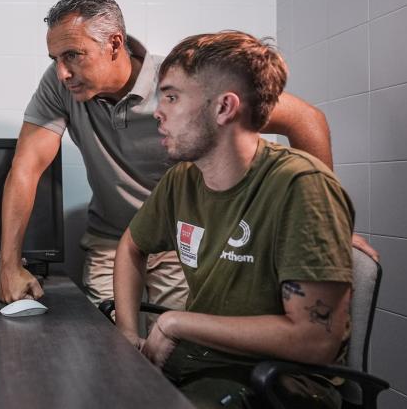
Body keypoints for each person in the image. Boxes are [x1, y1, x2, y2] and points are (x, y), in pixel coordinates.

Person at [0, 0, 375, 306]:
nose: (62, 72)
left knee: (177, 351)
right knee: (104, 346)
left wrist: (329, 225)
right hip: (113, 238)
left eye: (73, 56)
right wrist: (8, 265)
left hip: (185, 240)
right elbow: (27, 166)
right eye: (55, 59)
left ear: (114, 44)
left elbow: (305, 119)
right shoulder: (61, 84)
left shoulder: (182, 80)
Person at [112, 31, 353, 408]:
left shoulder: (301, 186)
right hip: (199, 362)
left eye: (172, 97)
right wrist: (127, 332)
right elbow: (131, 246)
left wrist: (177, 322)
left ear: (224, 108)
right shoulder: (183, 179)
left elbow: (315, 340)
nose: (158, 111)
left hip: (276, 380)